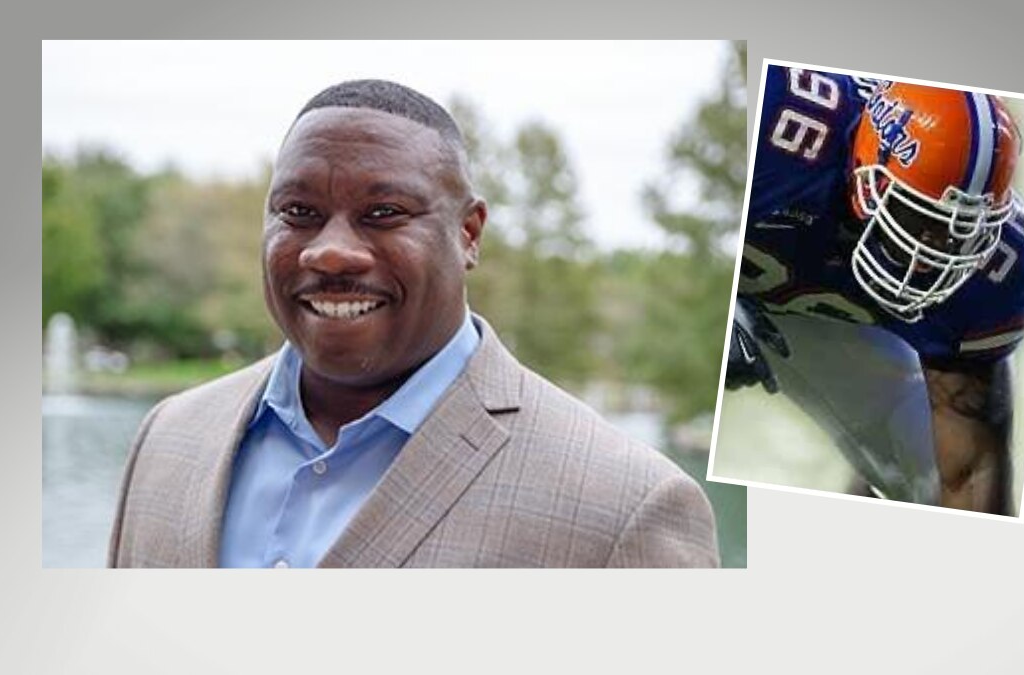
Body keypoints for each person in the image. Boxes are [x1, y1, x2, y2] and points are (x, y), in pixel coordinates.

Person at [109, 80, 720, 567]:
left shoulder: (625, 508)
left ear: (468, 233)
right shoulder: (167, 439)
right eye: (299, 212)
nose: (329, 252)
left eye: (383, 213)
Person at [724, 65, 1024, 515]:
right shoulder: (775, 130)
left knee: (936, 480)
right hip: (754, 279)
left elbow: (969, 473)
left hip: (831, 312)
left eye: (958, 235)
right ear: (868, 170)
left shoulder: (1000, 266)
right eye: (920, 220)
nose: (930, 257)